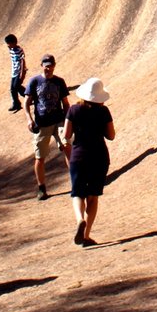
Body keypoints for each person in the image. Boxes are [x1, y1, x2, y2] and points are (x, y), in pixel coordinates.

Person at [62, 77, 115, 246]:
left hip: (79, 156)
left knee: (78, 194)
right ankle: (85, 236)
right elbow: (111, 135)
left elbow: (67, 136)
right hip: (99, 157)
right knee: (93, 197)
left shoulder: (74, 110)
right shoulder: (104, 112)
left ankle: (79, 219)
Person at [23, 54, 70, 200]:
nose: (48, 68)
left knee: (67, 146)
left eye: (51, 65)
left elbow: (66, 103)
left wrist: (68, 120)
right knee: (40, 157)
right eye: (46, 65)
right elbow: (26, 103)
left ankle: (77, 180)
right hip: (42, 124)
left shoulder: (59, 81)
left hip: (59, 121)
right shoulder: (34, 82)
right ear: (41, 65)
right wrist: (29, 120)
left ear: (54, 66)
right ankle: (41, 188)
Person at [5, 34, 27, 112]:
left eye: (9, 43)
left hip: (19, 72)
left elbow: (22, 61)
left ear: (14, 43)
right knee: (13, 89)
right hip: (14, 72)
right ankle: (16, 104)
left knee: (16, 86)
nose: (7, 45)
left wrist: (22, 73)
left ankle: (29, 96)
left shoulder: (19, 50)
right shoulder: (11, 50)